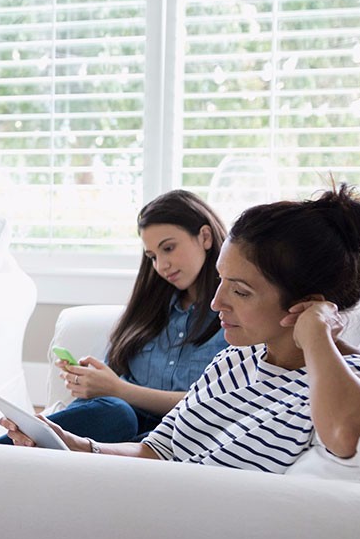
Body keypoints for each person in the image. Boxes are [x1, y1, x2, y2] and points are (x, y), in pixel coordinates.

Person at [1, 184, 360, 471]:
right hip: (146, 501)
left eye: (240, 291)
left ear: (308, 303)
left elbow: (352, 437)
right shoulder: (233, 363)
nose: (216, 302)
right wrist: (76, 446)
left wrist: (316, 335)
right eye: (222, 280)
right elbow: (156, 452)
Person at [17, 190, 229, 445]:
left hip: (171, 438)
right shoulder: (148, 311)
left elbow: (215, 403)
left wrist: (119, 390)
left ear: (204, 237)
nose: (161, 265)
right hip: (110, 429)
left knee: (120, 414)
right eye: (152, 257)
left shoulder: (231, 319)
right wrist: (91, 381)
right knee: (115, 413)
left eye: (169, 248)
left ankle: (3, 449)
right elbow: (108, 394)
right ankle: (4, 448)